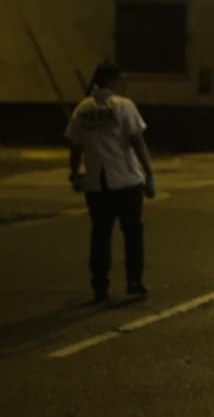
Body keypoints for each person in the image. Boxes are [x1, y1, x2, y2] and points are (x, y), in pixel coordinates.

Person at [66, 61, 156, 302]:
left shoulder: (83, 109)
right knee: (132, 233)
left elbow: (75, 145)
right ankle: (134, 281)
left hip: (96, 183)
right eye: (121, 79)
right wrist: (149, 172)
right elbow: (137, 141)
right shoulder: (124, 106)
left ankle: (100, 286)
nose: (123, 83)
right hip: (125, 180)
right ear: (113, 80)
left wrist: (75, 174)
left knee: (100, 235)